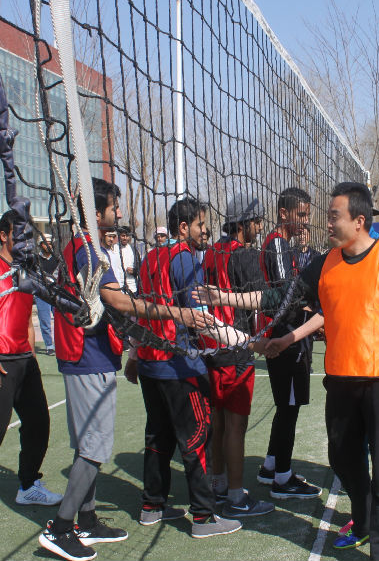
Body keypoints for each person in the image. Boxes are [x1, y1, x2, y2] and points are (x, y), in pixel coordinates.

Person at [197, 182, 379, 560]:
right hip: (342, 383)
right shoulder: (326, 262)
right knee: (342, 459)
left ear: (359, 221)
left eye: (334, 216)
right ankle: (362, 520)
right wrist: (225, 298)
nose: (327, 224)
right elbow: (279, 296)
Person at [39, 178, 211, 561]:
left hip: (93, 356)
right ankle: (61, 528)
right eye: (114, 207)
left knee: (92, 445)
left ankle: (87, 521)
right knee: (94, 448)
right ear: (95, 211)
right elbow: (119, 301)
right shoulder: (87, 249)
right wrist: (178, 313)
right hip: (88, 358)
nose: (119, 213)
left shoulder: (89, 247)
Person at [127, 196, 242, 539]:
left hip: (150, 363)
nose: (206, 231)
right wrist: (244, 341)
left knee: (158, 436)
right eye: (200, 225)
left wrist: (133, 356)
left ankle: (152, 505)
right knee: (197, 438)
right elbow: (199, 319)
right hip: (178, 366)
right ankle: (203, 517)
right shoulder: (185, 259)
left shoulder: (150, 256)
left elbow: (140, 311)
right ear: (183, 227)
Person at [0, 211, 62, 509]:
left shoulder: (27, 269)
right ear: (4, 235)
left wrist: (31, 355)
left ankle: (29, 485)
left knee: (38, 422)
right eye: (19, 235)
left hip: (22, 357)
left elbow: (26, 315)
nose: (25, 241)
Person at [202, 192, 273, 519]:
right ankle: (235, 496)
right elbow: (263, 299)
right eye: (257, 221)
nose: (260, 227)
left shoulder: (211, 251)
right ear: (244, 223)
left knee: (218, 421)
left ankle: (217, 485)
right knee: (236, 426)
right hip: (237, 346)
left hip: (211, 346)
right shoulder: (245, 255)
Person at [257, 187, 322, 500]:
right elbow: (286, 296)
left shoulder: (284, 245)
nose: (306, 220)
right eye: (302, 214)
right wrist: (312, 312)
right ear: (284, 213)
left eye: (308, 214)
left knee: (286, 407)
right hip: (285, 339)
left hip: (285, 336)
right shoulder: (278, 245)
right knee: (289, 409)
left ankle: (271, 465)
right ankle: (282, 479)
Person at [35, 239, 58, 356]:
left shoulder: (57, 259)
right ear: (40, 245)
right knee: (45, 320)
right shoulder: (35, 259)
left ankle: (60, 344)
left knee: (60, 319)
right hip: (42, 293)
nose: (48, 245)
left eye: (49, 243)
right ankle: (49, 346)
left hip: (56, 293)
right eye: (45, 243)